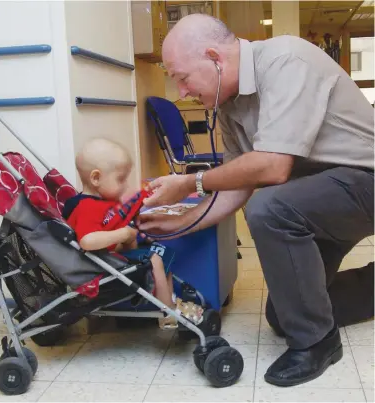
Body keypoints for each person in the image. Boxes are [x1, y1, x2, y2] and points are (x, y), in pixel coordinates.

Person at [138, 14, 374, 387]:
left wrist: (189, 182)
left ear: (215, 57)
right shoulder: (229, 104)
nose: (181, 91)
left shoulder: (286, 60)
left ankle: (317, 343)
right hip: (320, 199)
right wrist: (182, 222)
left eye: (182, 77)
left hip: (367, 182)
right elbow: (237, 183)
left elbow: (272, 167)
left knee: (269, 208)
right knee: (284, 313)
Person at [62, 137, 204, 330]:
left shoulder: (102, 201)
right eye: (120, 179)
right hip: (99, 266)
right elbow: (87, 240)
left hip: (109, 257)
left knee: (161, 253)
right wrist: (123, 234)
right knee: (154, 258)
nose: (125, 185)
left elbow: (110, 227)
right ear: (96, 178)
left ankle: (169, 300)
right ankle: (168, 311)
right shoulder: (87, 207)